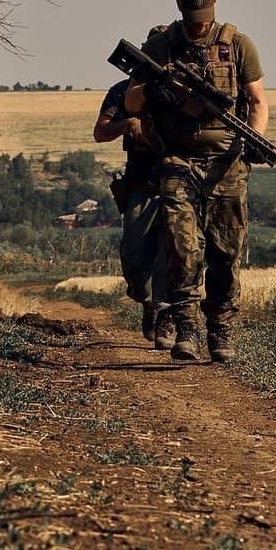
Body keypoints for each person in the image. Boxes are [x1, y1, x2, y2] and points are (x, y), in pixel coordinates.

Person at [124, 0, 269, 362]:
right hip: (177, 161)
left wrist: (255, 138)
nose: (200, 23)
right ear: (179, 8)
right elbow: (133, 103)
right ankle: (186, 326)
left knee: (225, 251)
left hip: (227, 165)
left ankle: (220, 330)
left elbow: (257, 101)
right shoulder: (161, 46)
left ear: (217, 2)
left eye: (205, 15)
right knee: (182, 247)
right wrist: (157, 86)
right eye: (193, 15)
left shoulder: (238, 45)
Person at [92, 67, 175, 351]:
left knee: (174, 251)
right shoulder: (124, 91)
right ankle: (149, 301)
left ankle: (166, 312)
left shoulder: (184, 89)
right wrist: (127, 123)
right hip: (141, 184)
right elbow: (100, 132)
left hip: (178, 182)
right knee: (136, 262)